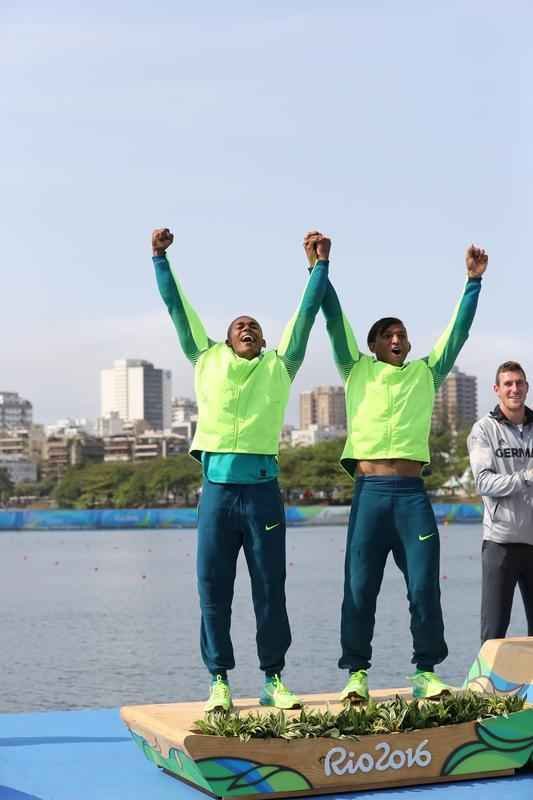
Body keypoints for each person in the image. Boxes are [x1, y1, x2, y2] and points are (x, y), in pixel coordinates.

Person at [303, 231, 487, 701]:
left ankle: (426, 671)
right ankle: (356, 675)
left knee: (424, 586)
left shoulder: (427, 372)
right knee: (359, 588)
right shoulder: (355, 368)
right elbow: (332, 318)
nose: (398, 338)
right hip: (369, 495)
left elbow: (458, 334)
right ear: (373, 345)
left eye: (402, 333)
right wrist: (319, 267)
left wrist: (472, 283)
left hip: (411, 497)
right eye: (388, 334)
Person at [152, 227, 330, 712]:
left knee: (270, 586)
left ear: (265, 339)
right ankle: (219, 681)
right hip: (216, 493)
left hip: (263, 492)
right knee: (213, 587)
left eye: (253, 325)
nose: (246, 328)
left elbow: (306, 317)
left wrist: (318, 268)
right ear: (226, 339)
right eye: (237, 326)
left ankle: (273, 678)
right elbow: (177, 309)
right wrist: (160, 259)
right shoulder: (205, 357)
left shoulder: (281, 365)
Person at [467, 361, 533, 644]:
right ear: (497, 389)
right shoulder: (484, 429)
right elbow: (483, 483)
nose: (514, 389)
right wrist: (526, 477)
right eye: (508, 384)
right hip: (500, 542)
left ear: (527, 388)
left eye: (519, 383)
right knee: (493, 632)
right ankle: (484, 689)